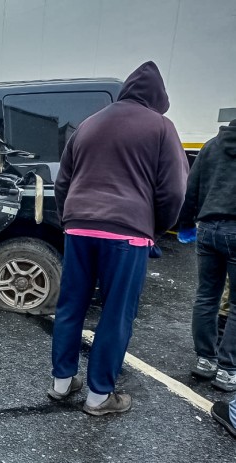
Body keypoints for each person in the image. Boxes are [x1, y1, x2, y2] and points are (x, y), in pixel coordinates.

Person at [48, 61, 188, 415]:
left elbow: (63, 181)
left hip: (79, 226)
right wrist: (153, 228)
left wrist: (70, 221)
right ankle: (99, 397)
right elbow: (173, 190)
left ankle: (62, 383)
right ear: (159, 98)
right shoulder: (161, 126)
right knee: (115, 313)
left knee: (71, 304)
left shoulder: (89, 123)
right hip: (127, 232)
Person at [177, 119, 236, 392]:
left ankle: (205, 360)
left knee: (206, 296)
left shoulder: (211, 146)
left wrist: (186, 224)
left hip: (208, 229)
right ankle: (227, 370)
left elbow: (191, 187)